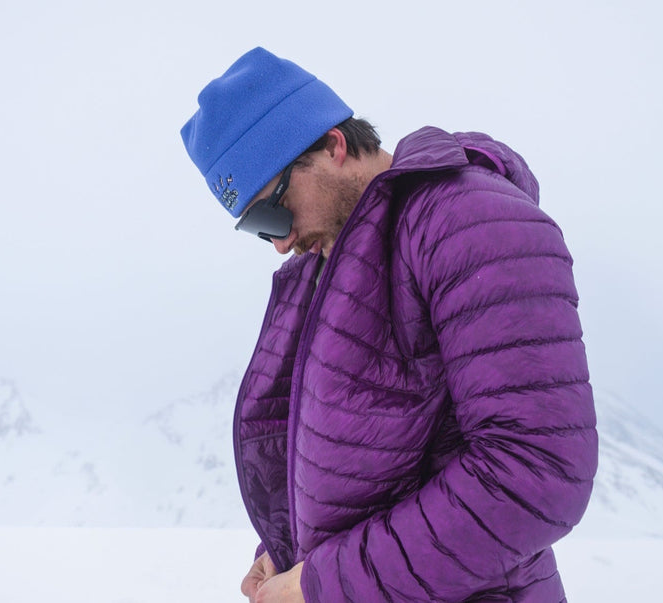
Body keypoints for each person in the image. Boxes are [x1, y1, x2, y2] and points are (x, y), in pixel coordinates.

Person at [180, 47, 598, 603]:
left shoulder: (468, 221)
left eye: (272, 211)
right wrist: (288, 549)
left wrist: (324, 583)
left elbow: (535, 473)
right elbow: (364, 462)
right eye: (255, 227)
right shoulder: (323, 269)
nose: (279, 242)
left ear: (333, 146)